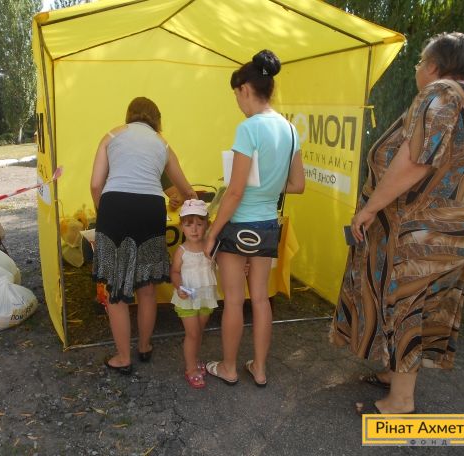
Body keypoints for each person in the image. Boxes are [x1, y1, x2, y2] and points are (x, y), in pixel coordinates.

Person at [330, 32, 464, 414]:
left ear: (434, 66)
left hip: (421, 233)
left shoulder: (441, 93)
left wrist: (370, 208)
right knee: (421, 308)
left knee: (407, 308)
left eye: (420, 61)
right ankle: (395, 373)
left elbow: (415, 161)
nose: (418, 68)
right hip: (454, 228)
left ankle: (400, 401)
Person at [203, 50, 305, 387]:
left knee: (234, 300)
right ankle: (259, 369)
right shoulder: (291, 130)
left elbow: (234, 192)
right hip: (268, 225)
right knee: (260, 299)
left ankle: (229, 367)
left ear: (245, 89)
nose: (237, 103)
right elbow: (298, 185)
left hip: (238, 226)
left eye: (236, 95)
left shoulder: (248, 129)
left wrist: (213, 232)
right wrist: (267, 186)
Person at [90, 96, 196, 375]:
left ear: (129, 115)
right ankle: (145, 346)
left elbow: (96, 184)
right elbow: (186, 190)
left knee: (116, 287)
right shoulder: (162, 143)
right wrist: (196, 211)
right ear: (157, 120)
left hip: (114, 207)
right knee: (147, 286)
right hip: (151, 209)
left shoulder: (112, 135)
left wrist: (104, 213)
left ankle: (123, 357)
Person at [170, 199, 218, 389]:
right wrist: (179, 286)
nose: (194, 229)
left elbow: (222, 265)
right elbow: (174, 272)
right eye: (189, 225)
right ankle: (190, 369)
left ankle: (195, 358)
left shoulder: (210, 248)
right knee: (192, 333)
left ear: (207, 224)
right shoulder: (181, 251)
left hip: (206, 297)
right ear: (182, 227)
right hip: (187, 298)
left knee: (199, 331)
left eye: (199, 224)